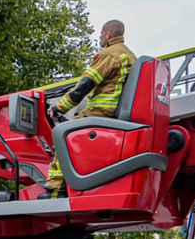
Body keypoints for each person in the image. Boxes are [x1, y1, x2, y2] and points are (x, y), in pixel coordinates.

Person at [40, 20, 136, 200]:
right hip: (115, 112)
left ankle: (55, 190)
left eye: (101, 34)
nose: (100, 37)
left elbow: (84, 86)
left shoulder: (109, 55)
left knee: (63, 137)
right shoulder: (130, 56)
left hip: (101, 110)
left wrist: (59, 107)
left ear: (108, 35)